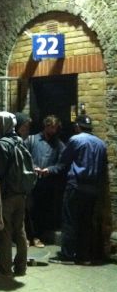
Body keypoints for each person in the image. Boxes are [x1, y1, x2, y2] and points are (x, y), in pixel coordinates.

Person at [50, 114, 107, 265]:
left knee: (70, 220)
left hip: (76, 186)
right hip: (93, 189)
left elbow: (64, 162)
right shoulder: (101, 144)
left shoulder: (75, 140)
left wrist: (49, 170)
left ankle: (68, 255)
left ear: (77, 126)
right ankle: (83, 256)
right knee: (86, 222)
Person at [0, 111, 30, 277]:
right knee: (20, 231)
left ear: (3, 124)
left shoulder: (2, 144)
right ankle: (21, 267)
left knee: (4, 231)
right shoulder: (20, 140)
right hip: (21, 193)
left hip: (6, 194)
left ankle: (4, 268)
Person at [25, 115, 66, 243]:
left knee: (43, 210)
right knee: (28, 209)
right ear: (45, 126)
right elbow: (24, 158)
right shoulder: (32, 140)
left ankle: (38, 236)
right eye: (51, 127)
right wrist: (33, 168)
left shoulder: (59, 144)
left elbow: (62, 164)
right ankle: (28, 236)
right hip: (31, 181)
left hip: (48, 183)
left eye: (55, 128)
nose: (53, 130)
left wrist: (50, 170)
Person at [14, 112, 43, 248]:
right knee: (20, 212)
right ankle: (22, 238)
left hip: (25, 184)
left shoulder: (23, 141)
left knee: (29, 210)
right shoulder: (15, 141)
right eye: (24, 127)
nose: (26, 130)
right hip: (17, 184)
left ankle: (31, 236)